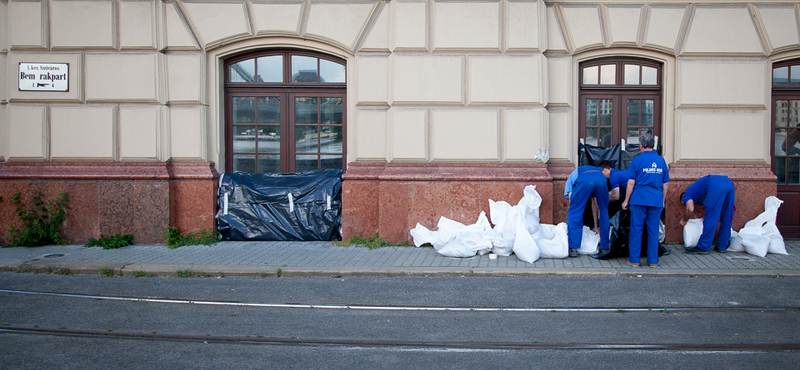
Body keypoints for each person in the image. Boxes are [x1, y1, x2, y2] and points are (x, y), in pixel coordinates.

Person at [622, 134, 669, 268]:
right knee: (653, 230)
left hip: (639, 199)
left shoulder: (637, 161)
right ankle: (653, 261)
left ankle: (634, 260)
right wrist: (663, 200)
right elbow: (665, 184)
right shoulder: (661, 161)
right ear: (653, 145)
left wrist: (626, 200)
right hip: (656, 200)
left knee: (636, 229)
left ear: (641, 146)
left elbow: (631, 183)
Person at [567, 162, 614, 257]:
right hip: (601, 181)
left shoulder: (573, 176)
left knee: (575, 212)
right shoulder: (599, 172)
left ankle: (573, 248)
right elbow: (595, 205)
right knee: (604, 211)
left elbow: (571, 199)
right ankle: (605, 247)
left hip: (584, 180)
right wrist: (596, 226)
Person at [679, 175, 736, 254]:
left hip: (715, 184)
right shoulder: (698, 190)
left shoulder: (687, 195)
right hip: (729, 183)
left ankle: (704, 246)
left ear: (682, 200)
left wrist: (684, 220)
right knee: (727, 216)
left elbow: (690, 208)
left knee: (711, 217)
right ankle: (722, 245)